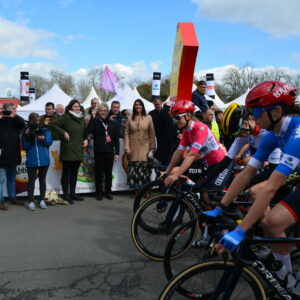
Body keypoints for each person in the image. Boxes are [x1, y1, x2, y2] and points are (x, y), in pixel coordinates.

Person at [204, 81, 300, 292]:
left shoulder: (297, 134)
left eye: (255, 112)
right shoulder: (273, 135)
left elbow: (271, 187)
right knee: (271, 223)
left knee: (270, 213)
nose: (252, 118)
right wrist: (220, 206)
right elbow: (246, 173)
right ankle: (287, 280)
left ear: (276, 111)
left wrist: (240, 230)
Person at [161, 100, 226, 188]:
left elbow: (191, 155)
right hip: (209, 163)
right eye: (173, 118)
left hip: (221, 162)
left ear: (188, 116)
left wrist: (176, 175)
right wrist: (167, 171)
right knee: (202, 194)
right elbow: (178, 152)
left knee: (211, 194)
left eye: (177, 117)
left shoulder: (200, 128)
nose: (175, 121)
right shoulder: (186, 131)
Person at [50, 99, 88, 204]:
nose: (77, 108)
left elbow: (85, 132)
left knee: (74, 174)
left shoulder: (81, 118)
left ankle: (73, 193)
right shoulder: (66, 117)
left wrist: (86, 139)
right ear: (71, 107)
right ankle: (66, 195)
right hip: (68, 150)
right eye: (75, 106)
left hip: (78, 150)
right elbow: (52, 125)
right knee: (66, 174)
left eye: (78, 106)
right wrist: (63, 132)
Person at [87, 103, 119, 201]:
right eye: (101, 111)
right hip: (99, 151)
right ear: (98, 112)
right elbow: (89, 130)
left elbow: (116, 139)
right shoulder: (95, 121)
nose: (103, 112)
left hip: (109, 151)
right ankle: (99, 192)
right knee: (99, 173)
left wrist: (117, 152)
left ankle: (108, 192)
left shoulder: (112, 123)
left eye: (105, 111)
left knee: (108, 173)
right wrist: (92, 117)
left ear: (107, 111)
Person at [124, 99, 156, 197]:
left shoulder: (148, 117)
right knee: (134, 171)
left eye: (140, 105)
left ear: (142, 106)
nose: (138, 106)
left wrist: (153, 147)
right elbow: (126, 133)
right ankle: (136, 191)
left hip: (145, 148)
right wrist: (127, 147)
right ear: (134, 107)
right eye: (136, 105)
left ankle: (146, 191)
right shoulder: (130, 118)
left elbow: (152, 133)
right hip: (133, 149)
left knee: (145, 171)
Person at [22, 113, 53, 211]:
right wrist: (30, 137)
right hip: (32, 160)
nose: (35, 123)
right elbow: (24, 147)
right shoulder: (26, 132)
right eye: (33, 122)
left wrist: (43, 138)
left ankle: (41, 200)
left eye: (37, 121)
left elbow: (49, 142)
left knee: (42, 180)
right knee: (31, 181)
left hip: (44, 160)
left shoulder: (44, 129)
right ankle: (31, 201)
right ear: (30, 122)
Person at [0, 102, 26, 210]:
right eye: (10, 109)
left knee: (11, 178)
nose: (11, 111)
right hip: (2, 155)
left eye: (14, 109)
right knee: (1, 179)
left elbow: (23, 125)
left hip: (14, 155)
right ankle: (0, 200)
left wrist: (14, 115)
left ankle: (12, 197)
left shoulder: (15, 120)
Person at [154, 101, 178, 165]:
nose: (171, 108)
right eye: (169, 107)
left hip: (173, 145)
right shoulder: (163, 115)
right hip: (164, 144)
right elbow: (158, 130)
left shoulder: (174, 117)